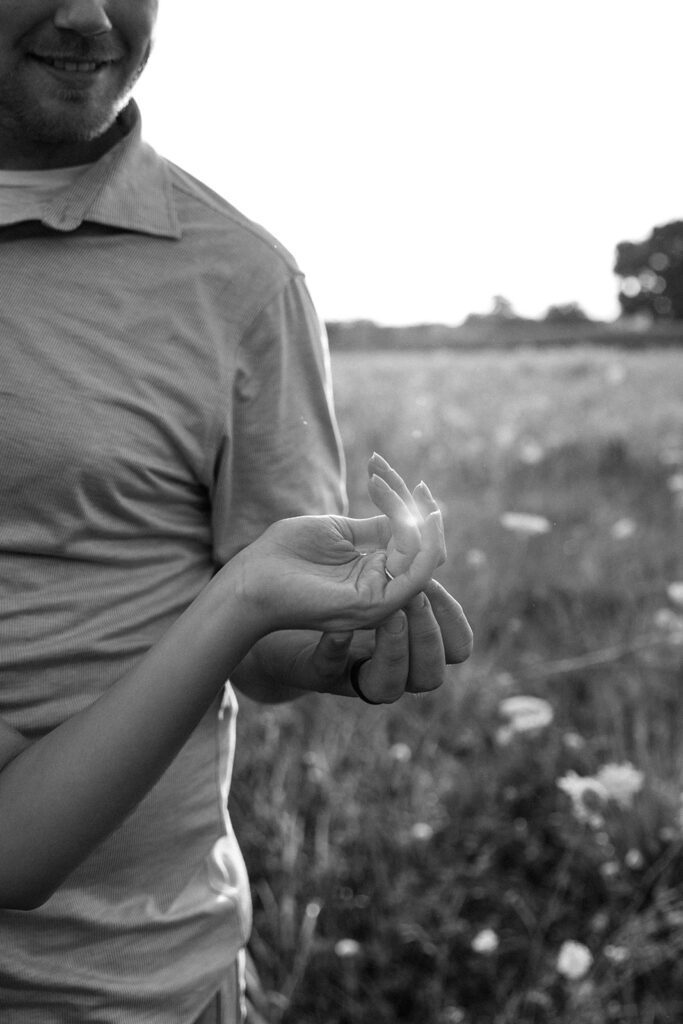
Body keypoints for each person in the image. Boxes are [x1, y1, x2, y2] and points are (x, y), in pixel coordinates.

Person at [0, 2, 473, 1022]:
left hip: (148, 981)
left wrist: (331, 636)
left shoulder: (244, 275)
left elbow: (266, 643)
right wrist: (245, 600)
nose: (88, 15)